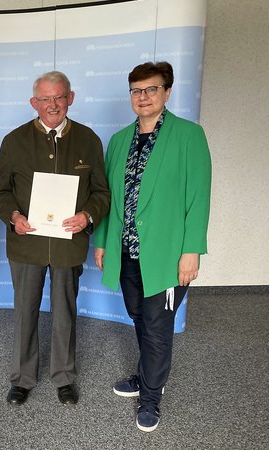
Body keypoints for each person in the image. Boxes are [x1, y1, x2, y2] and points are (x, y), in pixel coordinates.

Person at [93, 61, 212, 432]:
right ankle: (149, 374)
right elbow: (109, 199)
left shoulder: (189, 136)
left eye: (151, 89)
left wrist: (191, 250)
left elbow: (199, 197)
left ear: (167, 92)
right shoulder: (118, 141)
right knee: (139, 316)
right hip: (126, 250)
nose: (143, 97)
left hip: (166, 254)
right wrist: (102, 242)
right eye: (136, 90)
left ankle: (151, 396)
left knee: (158, 325)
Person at [0, 71, 110, 406]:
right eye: (45, 99)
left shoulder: (88, 140)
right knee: (25, 311)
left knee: (65, 312)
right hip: (25, 245)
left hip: (68, 245)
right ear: (34, 103)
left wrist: (87, 215)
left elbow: (101, 192)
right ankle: (22, 378)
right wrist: (14, 217)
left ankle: (64, 377)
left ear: (71, 98)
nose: (52, 105)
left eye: (58, 97)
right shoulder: (14, 141)